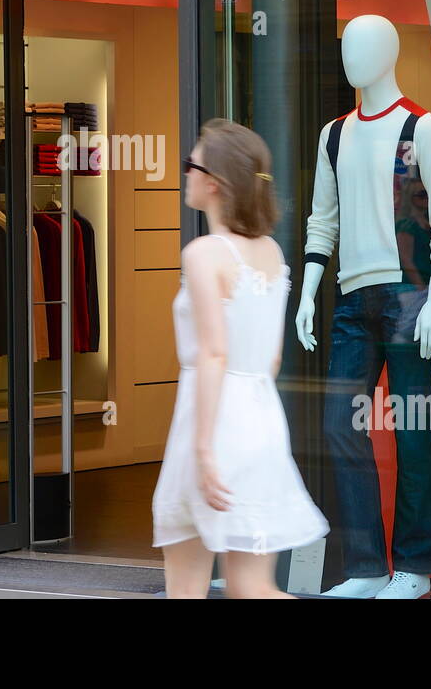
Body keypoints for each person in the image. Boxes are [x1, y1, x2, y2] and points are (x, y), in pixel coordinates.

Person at [152, 119, 329, 598]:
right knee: (252, 587)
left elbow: (213, 352)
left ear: (213, 181)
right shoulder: (270, 253)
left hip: (210, 422)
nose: (185, 173)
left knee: (187, 585)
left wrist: (205, 447)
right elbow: (269, 360)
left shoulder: (204, 253)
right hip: (260, 419)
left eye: (191, 164)